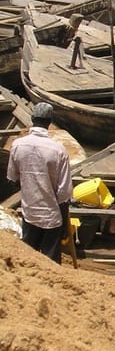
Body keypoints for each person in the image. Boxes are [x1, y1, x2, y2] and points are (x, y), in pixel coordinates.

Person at [6, 101, 73, 264]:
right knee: (51, 262)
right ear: (49, 122)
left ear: (32, 119)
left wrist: (30, 190)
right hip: (52, 216)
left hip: (29, 213)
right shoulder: (58, 150)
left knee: (30, 259)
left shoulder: (17, 145)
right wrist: (64, 225)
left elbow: (13, 179)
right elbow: (64, 194)